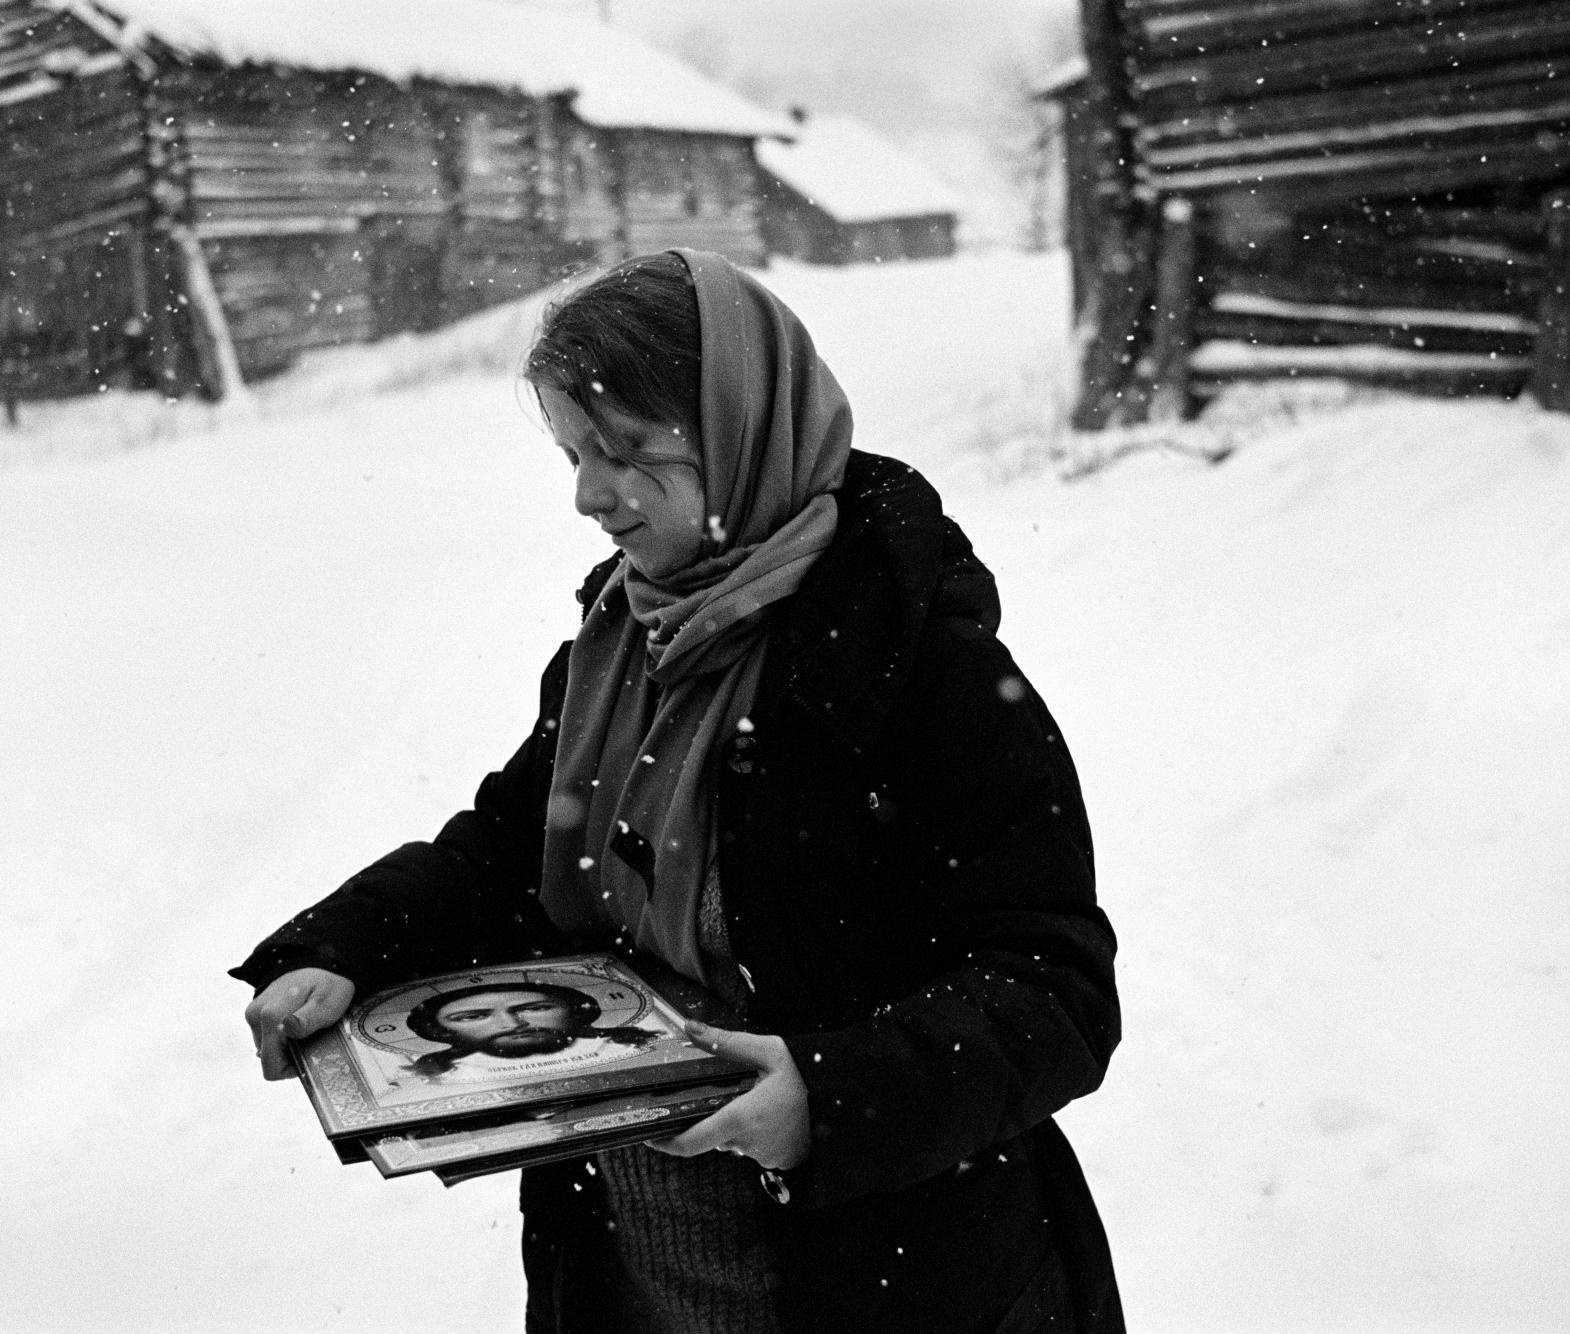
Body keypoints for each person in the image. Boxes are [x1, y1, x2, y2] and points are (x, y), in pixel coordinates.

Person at [234, 249, 1122, 1333]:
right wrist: (344, 946)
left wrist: (825, 1097)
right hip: (634, 1271)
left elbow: (1051, 989)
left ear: (743, 432)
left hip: (893, 1282)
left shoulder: (918, 675)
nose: (586, 496)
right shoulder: (626, 638)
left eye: (624, 454)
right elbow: (513, 845)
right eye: (571, 453)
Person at [402, 982, 659, 1080]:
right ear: (440, 1031)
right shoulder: (446, 1079)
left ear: (576, 1010)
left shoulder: (645, 1049)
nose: (513, 1024)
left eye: (536, 1008)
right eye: (472, 1016)